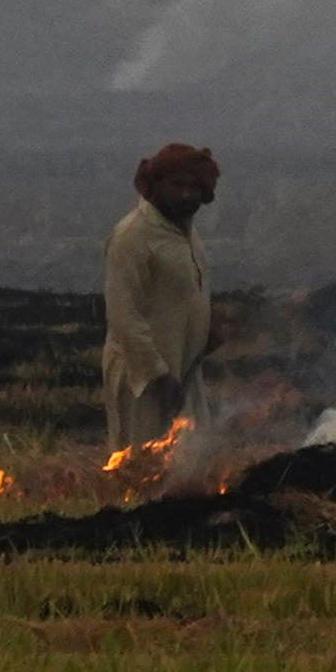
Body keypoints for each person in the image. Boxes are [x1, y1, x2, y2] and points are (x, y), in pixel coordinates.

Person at [102, 140, 218, 459]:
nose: (186, 195)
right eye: (177, 185)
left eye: (193, 187)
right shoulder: (132, 237)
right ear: (155, 187)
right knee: (141, 466)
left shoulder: (187, 234)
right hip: (144, 378)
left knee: (189, 466)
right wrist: (158, 377)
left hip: (185, 371)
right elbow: (124, 317)